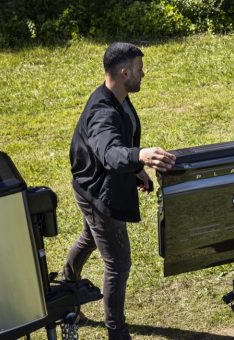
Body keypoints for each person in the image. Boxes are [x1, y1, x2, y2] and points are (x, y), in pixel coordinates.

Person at [64, 42, 176, 340]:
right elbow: (109, 152)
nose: (144, 74)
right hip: (98, 193)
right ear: (124, 72)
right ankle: (117, 332)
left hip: (91, 184)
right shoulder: (103, 112)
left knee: (89, 238)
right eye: (139, 69)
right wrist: (139, 156)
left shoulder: (119, 97)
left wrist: (136, 169)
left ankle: (67, 284)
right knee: (118, 263)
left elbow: (119, 144)